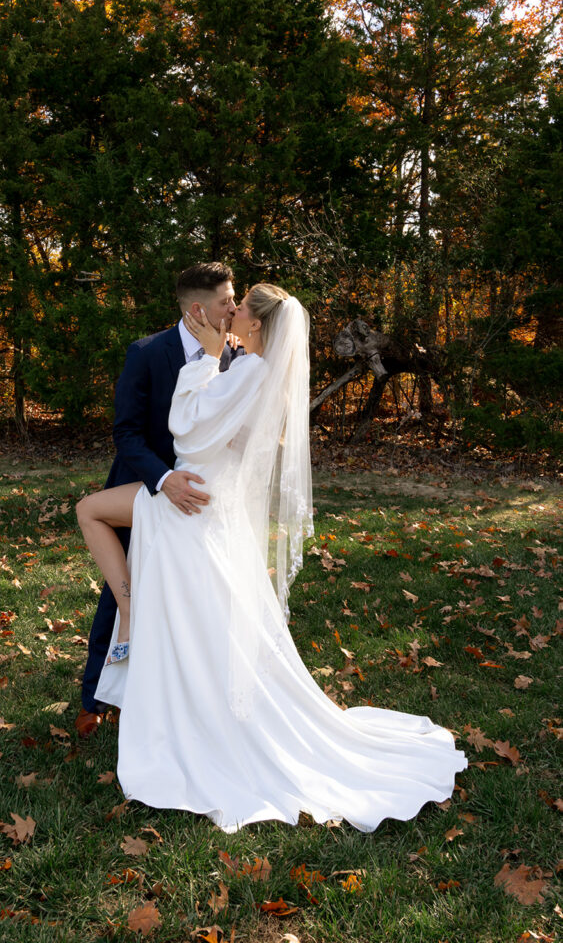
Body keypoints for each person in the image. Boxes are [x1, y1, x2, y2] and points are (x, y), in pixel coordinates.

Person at [76, 284, 467, 833]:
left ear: (256, 325)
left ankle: (135, 618)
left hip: (190, 501)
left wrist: (207, 361)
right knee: (203, 620)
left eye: (239, 307)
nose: (231, 312)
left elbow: (185, 427)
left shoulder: (248, 370)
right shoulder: (261, 372)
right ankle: (142, 629)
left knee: (98, 519)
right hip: (213, 498)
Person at [75, 262, 238, 738]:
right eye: (226, 301)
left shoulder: (237, 356)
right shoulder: (146, 353)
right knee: (120, 591)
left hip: (202, 497)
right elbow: (125, 432)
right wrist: (164, 480)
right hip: (146, 485)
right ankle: (95, 698)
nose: (233, 308)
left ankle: (183, 695)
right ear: (198, 310)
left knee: (196, 596)